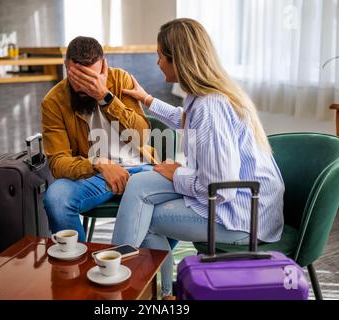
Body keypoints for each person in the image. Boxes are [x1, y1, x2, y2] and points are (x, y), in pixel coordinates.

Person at [111, 18, 285, 296]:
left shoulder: (209, 107)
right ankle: (160, 291)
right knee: (140, 185)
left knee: (146, 218)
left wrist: (177, 173)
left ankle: (116, 285)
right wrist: (147, 100)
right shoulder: (209, 97)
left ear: (177, 59)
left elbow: (220, 189)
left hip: (241, 217)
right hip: (246, 203)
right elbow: (187, 121)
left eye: (160, 57)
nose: (157, 63)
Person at [42, 36, 156, 241]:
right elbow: (58, 162)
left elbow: (142, 136)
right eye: (79, 78)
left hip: (140, 168)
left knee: (180, 198)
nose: (86, 86)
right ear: (67, 66)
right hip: (94, 175)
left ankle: (142, 266)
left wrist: (105, 96)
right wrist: (99, 163)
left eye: (92, 77)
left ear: (103, 65)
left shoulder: (121, 80)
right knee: (56, 199)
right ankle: (78, 267)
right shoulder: (53, 101)